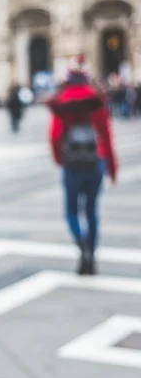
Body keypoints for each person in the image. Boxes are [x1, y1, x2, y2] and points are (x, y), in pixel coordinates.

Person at [48, 60, 118, 275]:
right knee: (91, 211)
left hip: (73, 165)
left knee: (71, 211)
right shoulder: (95, 100)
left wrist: (61, 159)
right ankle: (92, 252)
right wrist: (112, 167)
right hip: (95, 162)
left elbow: (55, 136)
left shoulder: (63, 101)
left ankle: (81, 245)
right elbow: (106, 137)